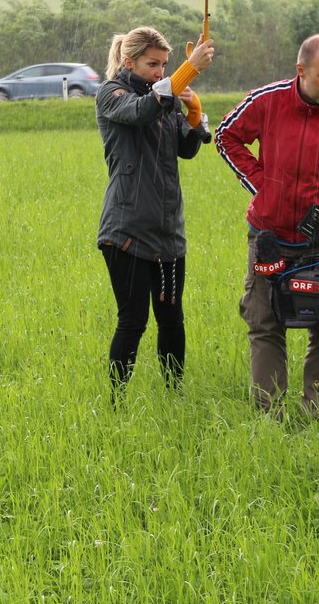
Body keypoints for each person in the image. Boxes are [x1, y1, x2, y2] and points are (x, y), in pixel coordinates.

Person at [215, 33, 319, 417]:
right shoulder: (266, 101)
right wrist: (263, 185)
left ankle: (318, 414)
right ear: (301, 70)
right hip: (268, 236)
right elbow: (226, 137)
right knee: (264, 323)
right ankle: (269, 415)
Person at [96, 26, 215, 396]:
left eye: (164, 65)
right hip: (126, 230)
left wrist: (195, 114)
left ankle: (174, 395)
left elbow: (187, 149)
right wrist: (189, 70)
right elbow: (140, 111)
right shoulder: (111, 94)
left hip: (167, 230)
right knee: (133, 321)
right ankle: (116, 401)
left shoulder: (167, 97)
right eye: (153, 64)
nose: (160, 72)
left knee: (172, 319)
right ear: (129, 62)